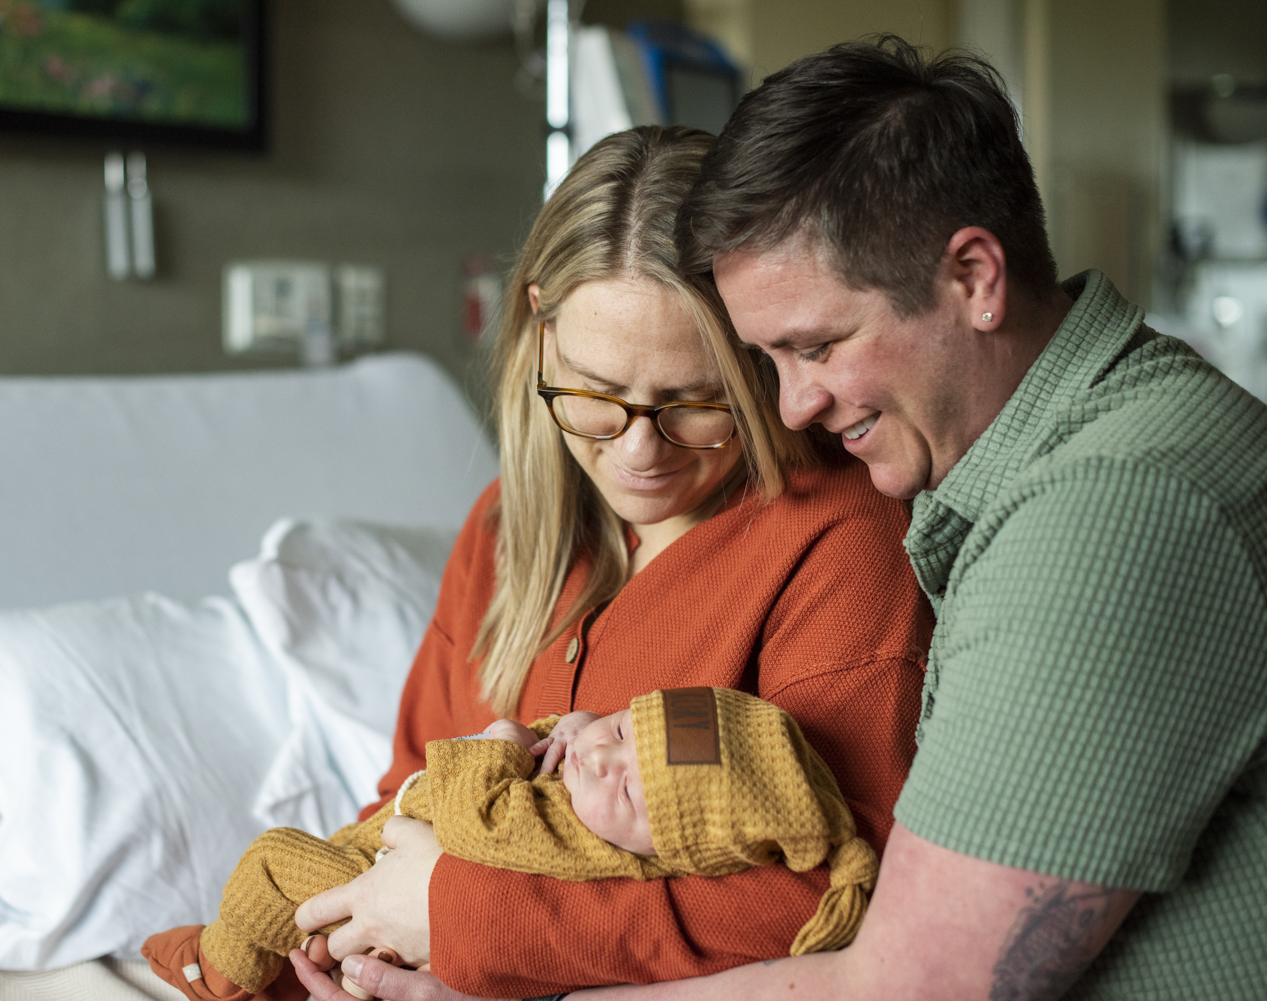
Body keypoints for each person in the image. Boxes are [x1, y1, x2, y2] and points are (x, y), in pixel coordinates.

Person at [301, 36, 1267, 1001]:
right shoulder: (1027, 483)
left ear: (975, 277)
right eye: (772, 362)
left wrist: (488, 943)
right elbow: (408, 800)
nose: (796, 407)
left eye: (813, 347)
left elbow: (911, 977)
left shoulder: (1103, 514)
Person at [283, 125, 932, 1000]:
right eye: (593, 395)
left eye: (697, 403)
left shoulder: (844, 546)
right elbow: (407, 793)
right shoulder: (507, 531)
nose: (639, 454)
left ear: (760, 361)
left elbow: (829, 895)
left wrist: (471, 920)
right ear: (541, 331)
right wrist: (348, 941)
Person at [143, 690, 877, 1001]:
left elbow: (479, 818)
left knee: (273, 861)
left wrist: (500, 742)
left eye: (628, 791)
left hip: (378, 888)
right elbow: (607, 750)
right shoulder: (601, 797)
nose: (598, 758)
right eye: (622, 728)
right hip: (387, 871)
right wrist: (581, 722)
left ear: (667, 850)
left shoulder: (575, 840)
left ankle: (219, 969)